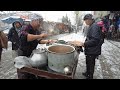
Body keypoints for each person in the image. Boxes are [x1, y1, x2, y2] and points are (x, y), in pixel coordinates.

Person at [17, 14, 56, 79]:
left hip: (31, 53)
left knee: (32, 72)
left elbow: (39, 40)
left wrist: (49, 41)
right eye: (39, 21)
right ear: (34, 20)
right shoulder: (25, 27)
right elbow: (26, 37)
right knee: (24, 72)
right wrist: (40, 35)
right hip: (23, 54)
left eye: (41, 22)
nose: (40, 24)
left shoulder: (36, 30)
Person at [71, 14, 103, 79]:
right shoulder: (92, 25)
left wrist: (84, 44)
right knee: (88, 62)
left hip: (93, 50)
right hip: (90, 49)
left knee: (91, 64)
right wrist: (83, 43)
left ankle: (90, 76)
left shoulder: (94, 26)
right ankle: (87, 73)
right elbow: (89, 38)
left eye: (85, 20)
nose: (85, 22)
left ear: (90, 19)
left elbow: (95, 40)